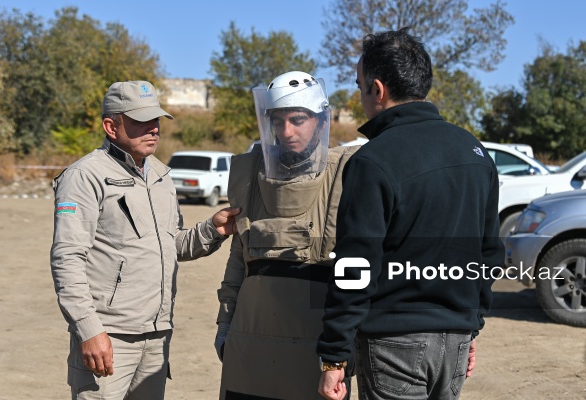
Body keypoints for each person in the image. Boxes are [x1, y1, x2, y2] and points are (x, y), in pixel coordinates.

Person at [317, 29, 505, 400]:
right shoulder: (475, 151)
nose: (360, 96)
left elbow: (355, 264)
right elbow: (489, 254)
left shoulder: (373, 160)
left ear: (378, 89)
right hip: (455, 340)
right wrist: (470, 327)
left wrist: (332, 357)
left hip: (394, 345)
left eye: (359, 86)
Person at [50, 80, 240, 400]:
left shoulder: (161, 176)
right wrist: (89, 330)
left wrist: (212, 230)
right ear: (111, 125)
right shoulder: (85, 176)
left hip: (157, 337)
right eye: (141, 121)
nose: (153, 129)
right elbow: (67, 259)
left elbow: (172, 245)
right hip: (109, 337)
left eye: (156, 120)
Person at [215, 71, 359, 399]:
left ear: (322, 122)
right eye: (277, 121)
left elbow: (356, 268)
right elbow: (240, 258)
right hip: (250, 339)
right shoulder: (249, 174)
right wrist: (225, 323)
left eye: (297, 119)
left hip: (317, 340)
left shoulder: (347, 174)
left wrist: (346, 343)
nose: (286, 131)